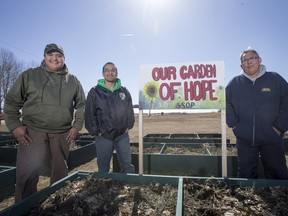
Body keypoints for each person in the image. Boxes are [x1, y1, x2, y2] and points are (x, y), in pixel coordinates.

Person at [4, 43, 86, 202]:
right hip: (33, 131)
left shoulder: (73, 80)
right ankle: (24, 206)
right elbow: (11, 101)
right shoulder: (30, 75)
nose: (55, 58)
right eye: (51, 55)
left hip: (62, 133)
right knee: (27, 172)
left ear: (63, 58)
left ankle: (57, 203)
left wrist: (77, 125)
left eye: (59, 56)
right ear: (44, 57)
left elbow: (82, 104)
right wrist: (14, 126)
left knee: (60, 172)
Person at [226, 48, 288, 179]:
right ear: (241, 65)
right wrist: (235, 126)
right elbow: (225, 103)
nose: (249, 62)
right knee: (245, 175)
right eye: (245, 60)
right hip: (245, 140)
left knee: (278, 175)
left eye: (252, 58)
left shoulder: (275, 79)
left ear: (260, 60)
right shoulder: (234, 83)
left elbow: (286, 102)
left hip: (272, 138)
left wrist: (279, 128)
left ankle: (278, 199)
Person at [85, 62, 135, 173]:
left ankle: (129, 186)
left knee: (127, 166)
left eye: (113, 70)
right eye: (107, 70)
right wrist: (96, 132)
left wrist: (128, 126)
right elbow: (89, 114)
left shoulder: (124, 91)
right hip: (103, 137)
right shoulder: (94, 92)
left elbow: (129, 111)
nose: (110, 72)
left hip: (122, 136)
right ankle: (103, 189)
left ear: (116, 72)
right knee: (103, 168)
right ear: (103, 73)